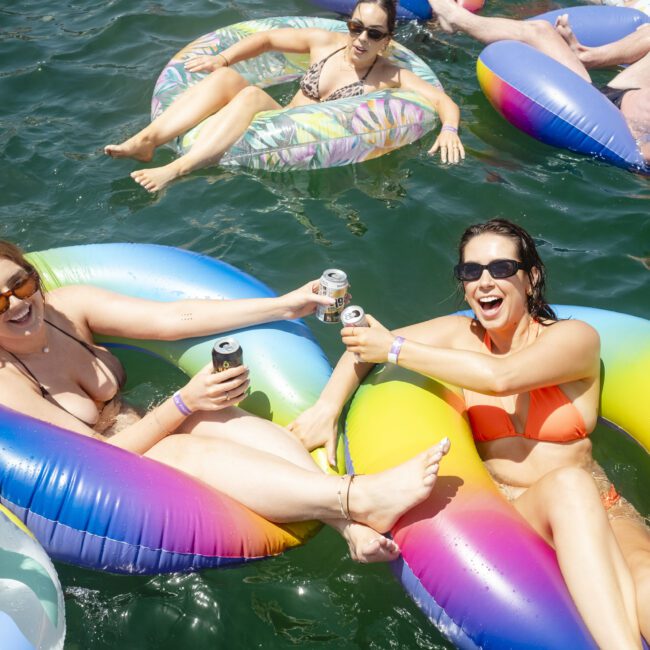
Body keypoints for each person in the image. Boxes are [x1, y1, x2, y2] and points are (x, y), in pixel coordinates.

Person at [289, 219, 650, 649]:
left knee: (645, 580)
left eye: (500, 268)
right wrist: (327, 408)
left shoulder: (575, 339)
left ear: (531, 277)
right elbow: (366, 348)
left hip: (604, 509)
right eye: (471, 272)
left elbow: (503, 377)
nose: (484, 281)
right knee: (567, 486)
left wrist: (395, 349)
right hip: (519, 511)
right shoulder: (457, 337)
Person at [0, 240, 451, 564]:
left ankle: (348, 524)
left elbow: (174, 318)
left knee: (219, 414)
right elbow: (93, 459)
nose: (16, 304)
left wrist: (283, 305)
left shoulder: (67, 309)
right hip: (104, 478)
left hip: (141, 422)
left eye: (21, 285)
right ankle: (357, 496)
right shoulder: (7, 383)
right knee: (182, 443)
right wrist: (181, 403)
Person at [104, 0, 465, 192]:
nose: (361, 39)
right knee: (229, 77)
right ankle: (147, 140)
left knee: (248, 96)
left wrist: (449, 129)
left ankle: (176, 168)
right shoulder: (324, 43)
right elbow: (267, 38)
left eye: (373, 33)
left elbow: (442, 101)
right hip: (273, 119)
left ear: (387, 39)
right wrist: (222, 57)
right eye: (356, 27)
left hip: (299, 142)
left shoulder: (390, 74)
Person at [425, 0, 650, 164]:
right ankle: (585, 56)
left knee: (539, 32)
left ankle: (455, 17)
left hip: (616, 127)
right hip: (616, 95)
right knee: (541, 30)